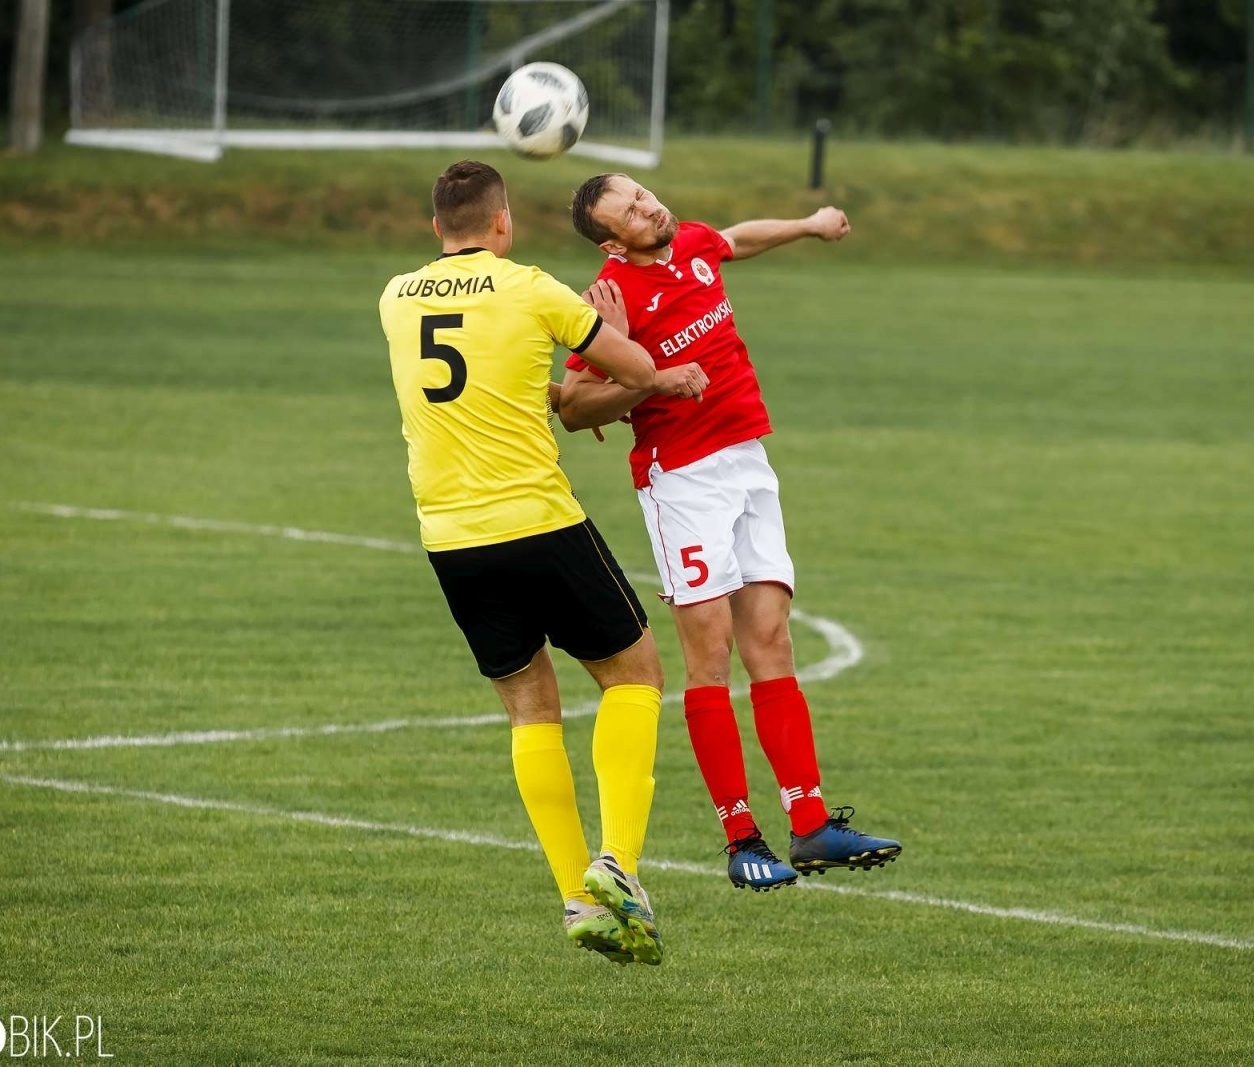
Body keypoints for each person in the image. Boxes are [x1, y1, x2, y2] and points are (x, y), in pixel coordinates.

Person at [378, 160, 709, 964]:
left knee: (530, 710)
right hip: (538, 520)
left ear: (435, 231)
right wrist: (644, 356)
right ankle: (619, 864)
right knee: (635, 675)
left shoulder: (394, 296)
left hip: (451, 539)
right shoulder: (531, 288)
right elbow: (630, 373)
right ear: (502, 224)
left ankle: (576, 899)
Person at [557, 173, 901, 893]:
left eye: (644, 193)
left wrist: (807, 225)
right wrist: (650, 378)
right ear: (612, 239)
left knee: (772, 639)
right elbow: (577, 404)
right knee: (709, 653)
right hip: (681, 480)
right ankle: (740, 836)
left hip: (748, 461)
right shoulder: (608, 301)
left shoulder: (692, 243)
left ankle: (810, 824)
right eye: (631, 209)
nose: (650, 205)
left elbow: (738, 240)